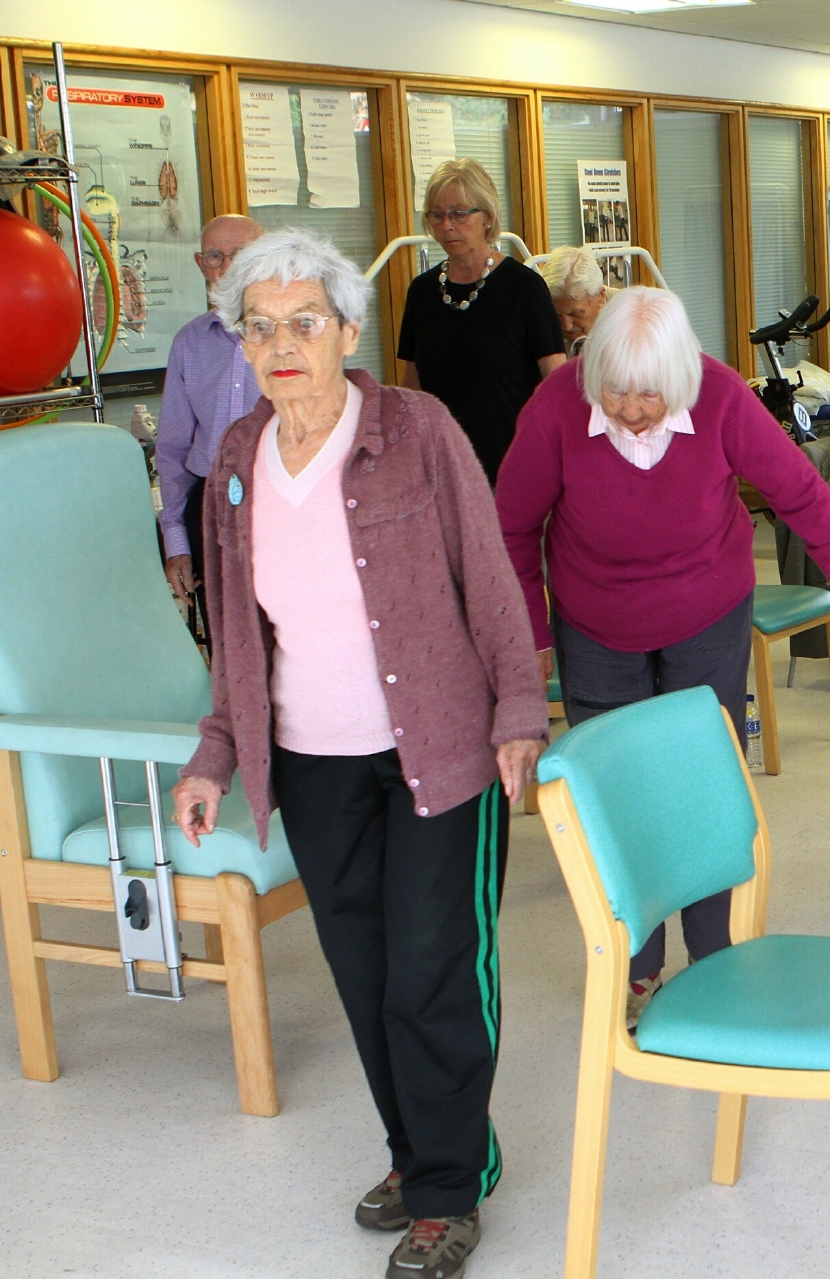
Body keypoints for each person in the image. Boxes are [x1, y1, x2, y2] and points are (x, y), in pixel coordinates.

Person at [170, 228, 548, 1279]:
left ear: (346, 330)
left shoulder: (417, 429)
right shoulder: (236, 464)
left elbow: (491, 576)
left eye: (304, 322)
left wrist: (520, 707)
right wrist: (215, 756)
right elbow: (239, 639)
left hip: (438, 747)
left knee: (434, 971)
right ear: (240, 344)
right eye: (261, 327)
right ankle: (434, 1151)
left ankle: (443, 1192)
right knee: (369, 973)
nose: (283, 343)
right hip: (313, 757)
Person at [498, 285, 830, 1021]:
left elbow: (807, 501)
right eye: (616, 393)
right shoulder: (557, 407)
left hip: (707, 612)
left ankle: (715, 953)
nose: (630, 411)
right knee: (619, 795)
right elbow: (510, 527)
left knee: (701, 785)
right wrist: (529, 639)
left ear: (682, 376)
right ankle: (637, 964)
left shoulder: (721, 397)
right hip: (595, 624)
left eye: (649, 396)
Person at [397, 158, 566, 482]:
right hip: (444, 471)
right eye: (437, 214)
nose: (447, 225)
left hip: (513, 470)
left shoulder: (525, 288)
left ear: (487, 217)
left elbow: (554, 382)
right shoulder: (421, 292)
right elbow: (412, 385)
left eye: (459, 214)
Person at [156, 213, 263, 610]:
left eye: (243, 255)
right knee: (226, 644)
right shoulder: (189, 343)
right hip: (210, 508)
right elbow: (171, 452)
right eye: (216, 257)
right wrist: (177, 542)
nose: (229, 267)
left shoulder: (300, 335)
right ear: (202, 266)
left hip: (283, 504)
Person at [539, 245, 610, 356]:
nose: (566, 326)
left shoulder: (629, 329)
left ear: (601, 297)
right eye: (556, 316)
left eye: (576, 313)